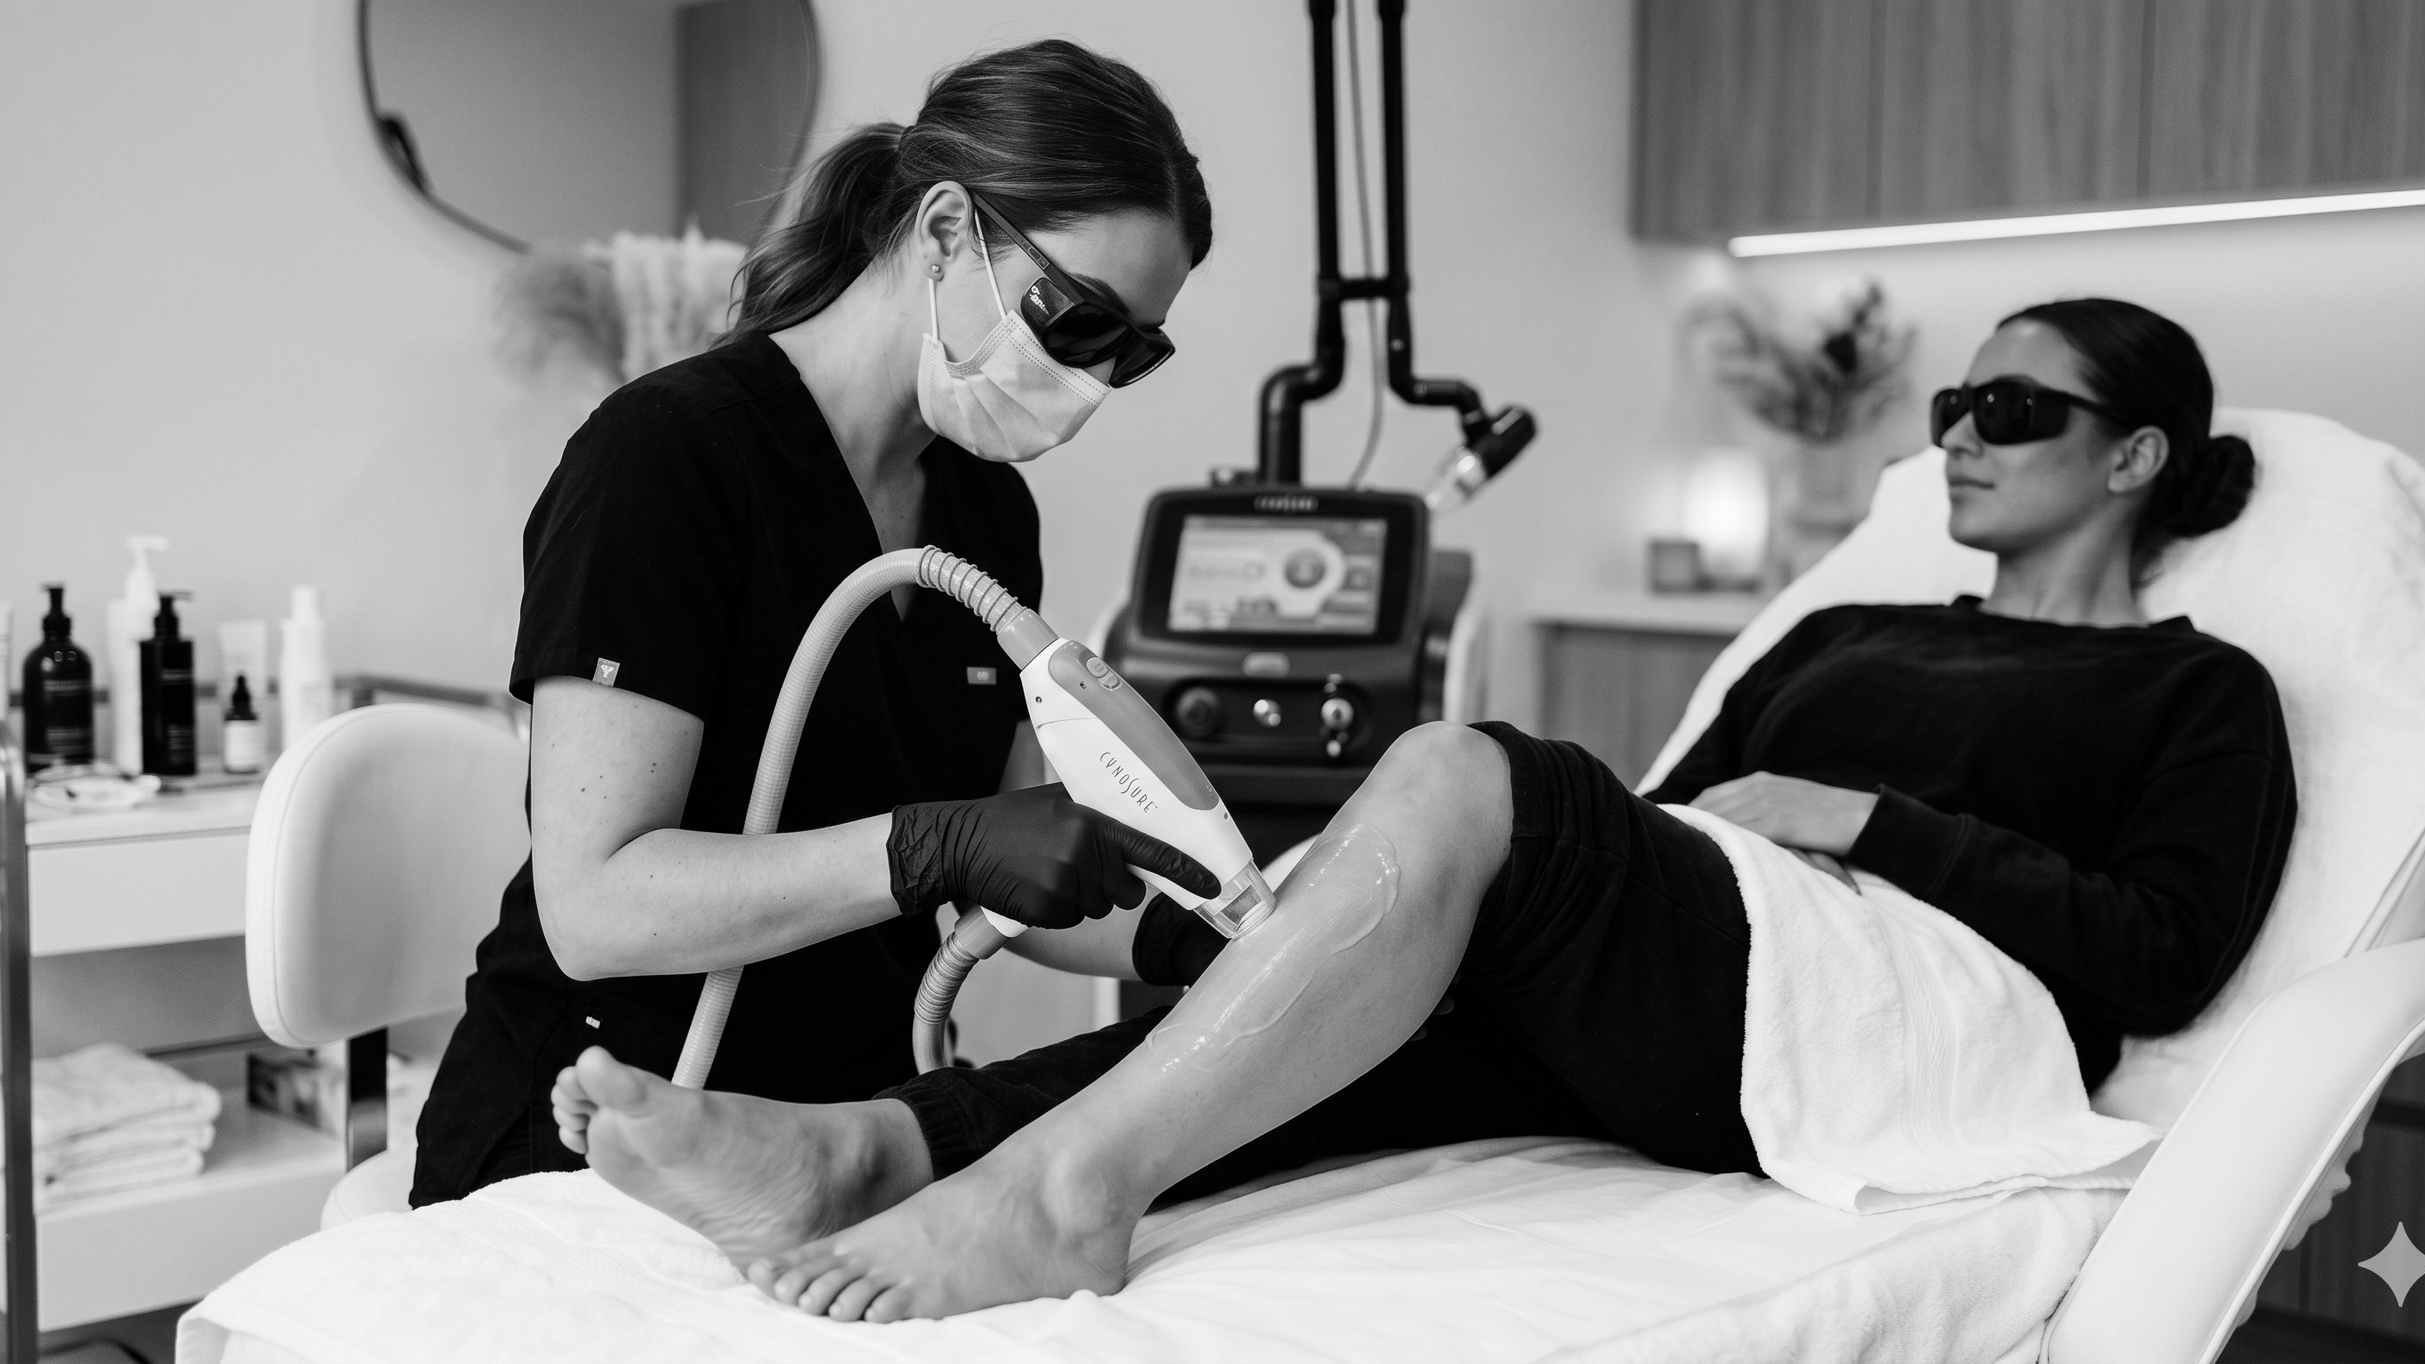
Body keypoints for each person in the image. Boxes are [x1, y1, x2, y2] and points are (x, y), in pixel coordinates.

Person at [544, 297, 2298, 1322]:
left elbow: (2160, 955)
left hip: (1910, 1010)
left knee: (1468, 769)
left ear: (2136, 454)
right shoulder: (1845, 629)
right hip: (1725, 975)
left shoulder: (2198, 689)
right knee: (1351, 968)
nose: (1961, 434)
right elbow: (1672, 837)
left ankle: (1066, 1187)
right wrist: (1390, 889)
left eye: (2011, 408)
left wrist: (1860, 814)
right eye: (1954, 405)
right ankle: (877, 1146)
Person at [410, 39, 1222, 1205]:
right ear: (946, 229)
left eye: (1130, 353)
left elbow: (1012, 872)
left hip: (858, 1130)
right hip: (605, 1129)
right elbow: (593, 907)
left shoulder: (986, 512)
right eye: (1081, 320)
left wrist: (1184, 933)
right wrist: (926, 845)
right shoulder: (667, 460)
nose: (1090, 382)